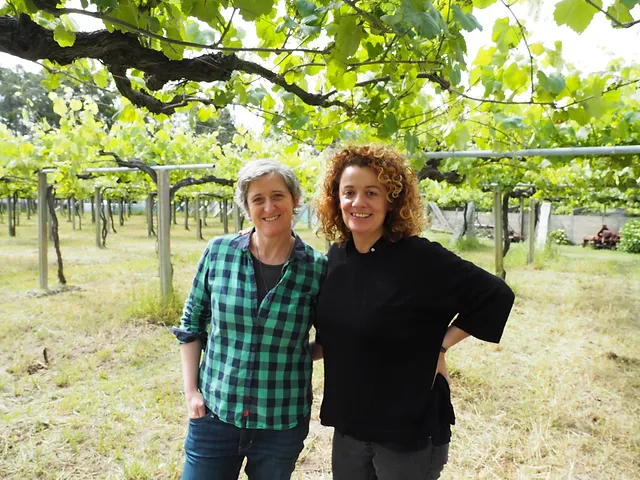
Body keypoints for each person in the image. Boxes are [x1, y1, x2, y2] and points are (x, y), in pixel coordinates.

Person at [313, 145, 515, 480]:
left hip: (406, 429)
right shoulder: (336, 259)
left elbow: (495, 295)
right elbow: (337, 336)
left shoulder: (420, 259)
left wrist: (440, 345)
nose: (358, 202)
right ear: (336, 199)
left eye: (371, 193)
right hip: (349, 425)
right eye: (348, 192)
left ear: (391, 201)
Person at [172, 159, 327, 480]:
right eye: (258, 199)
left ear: (295, 201)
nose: (269, 206)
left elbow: (331, 336)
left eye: (278, 196)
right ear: (247, 207)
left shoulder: (316, 268)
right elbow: (191, 325)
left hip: (280, 421)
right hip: (215, 414)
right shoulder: (219, 253)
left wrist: (292, 353)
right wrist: (191, 392)